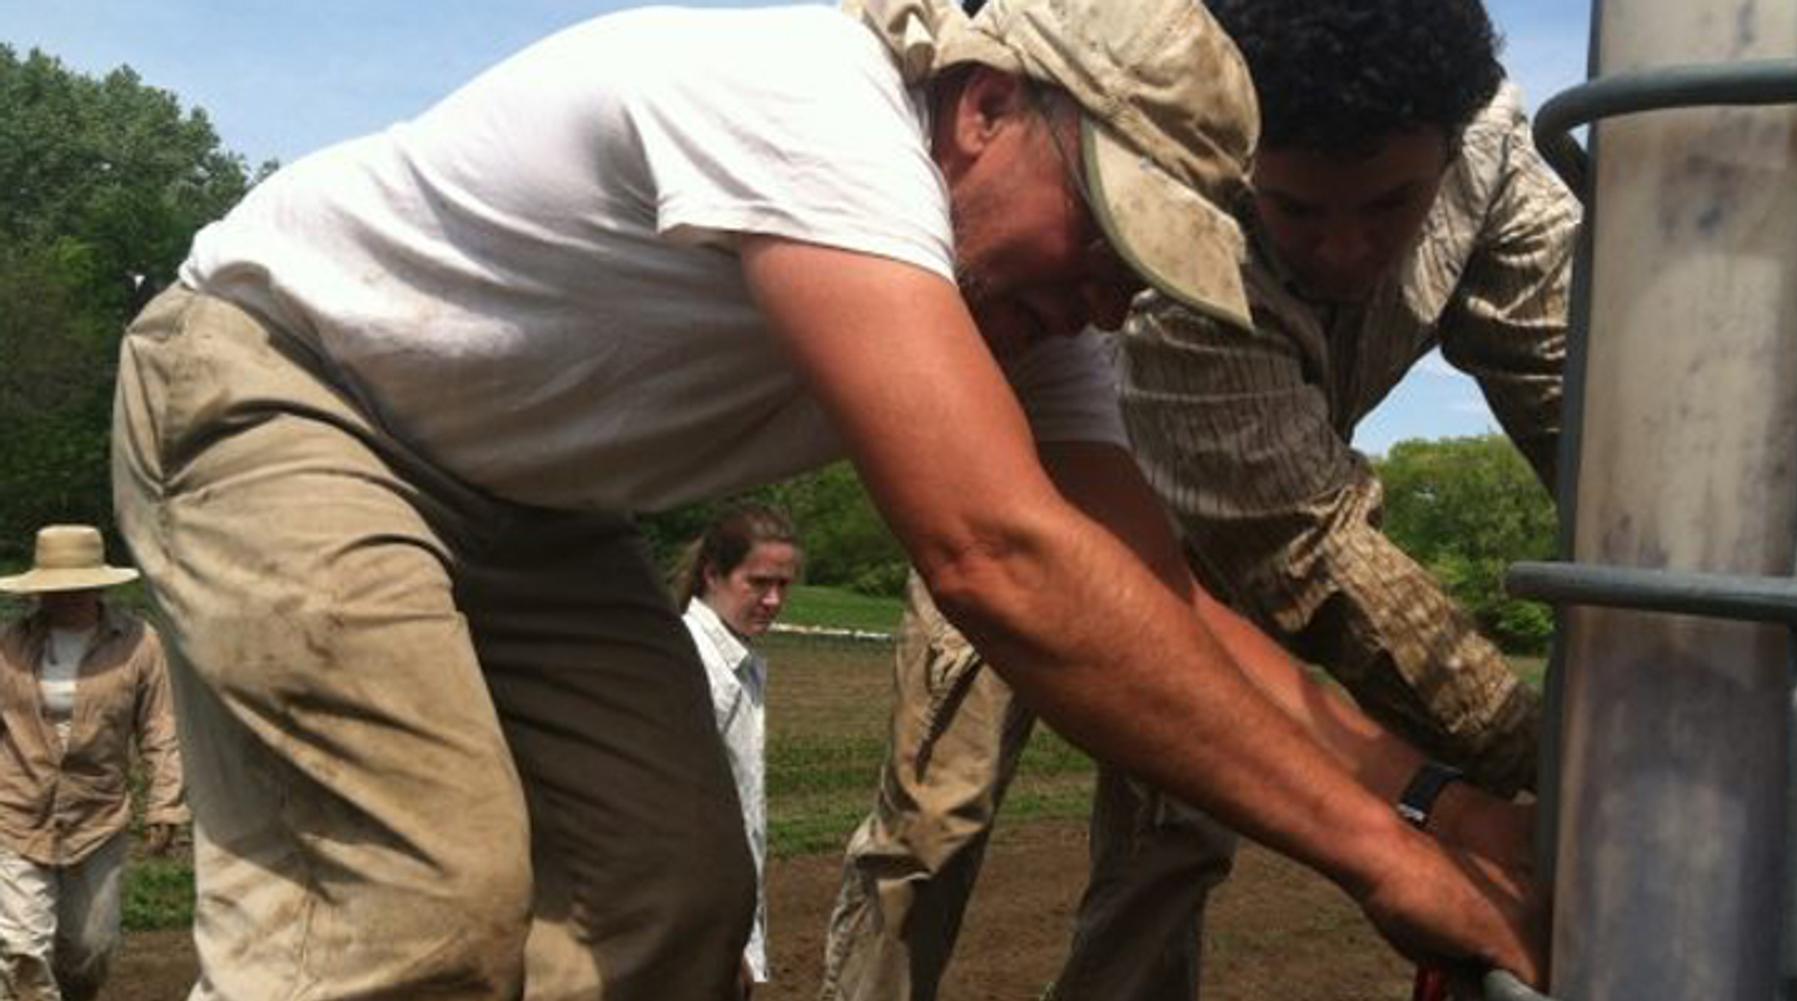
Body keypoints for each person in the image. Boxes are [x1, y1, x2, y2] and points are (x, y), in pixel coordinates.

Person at [112, 0, 1542, 997]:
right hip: (288, 388)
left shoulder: (1036, 310)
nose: (1113, 297)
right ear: (987, 108)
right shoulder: (814, 108)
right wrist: (1374, 858)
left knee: (668, 903)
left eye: (1154, 270)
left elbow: (1151, 604)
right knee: (408, 909)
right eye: (1112, 233)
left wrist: (1427, 800)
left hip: (532, 507)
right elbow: (1000, 558)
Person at [822, 0, 1578, 998]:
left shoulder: (1493, 163)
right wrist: (1548, 756)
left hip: (1225, 548)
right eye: (1299, 210)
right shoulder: (1199, 177)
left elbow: (1600, 409)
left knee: (1178, 837)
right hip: (1036, 490)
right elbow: (1306, 550)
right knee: (938, 807)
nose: (1344, 252)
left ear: (1448, 153)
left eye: (1389, 206)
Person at [0, 525, 188, 1001]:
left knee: (89, 950)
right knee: (20, 948)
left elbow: (160, 728)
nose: (61, 597)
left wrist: (166, 804)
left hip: (96, 815)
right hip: (15, 810)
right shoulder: (9, 645)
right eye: (52, 588)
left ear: (96, 584)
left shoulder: (139, 643)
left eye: (73, 586)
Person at [676, 505, 805, 997]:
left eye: (784, 585)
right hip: (695, 926)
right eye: (758, 583)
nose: (773, 600)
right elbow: (687, 815)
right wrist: (724, 943)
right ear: (713, 574)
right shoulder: (697, 664)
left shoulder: (739, 660)